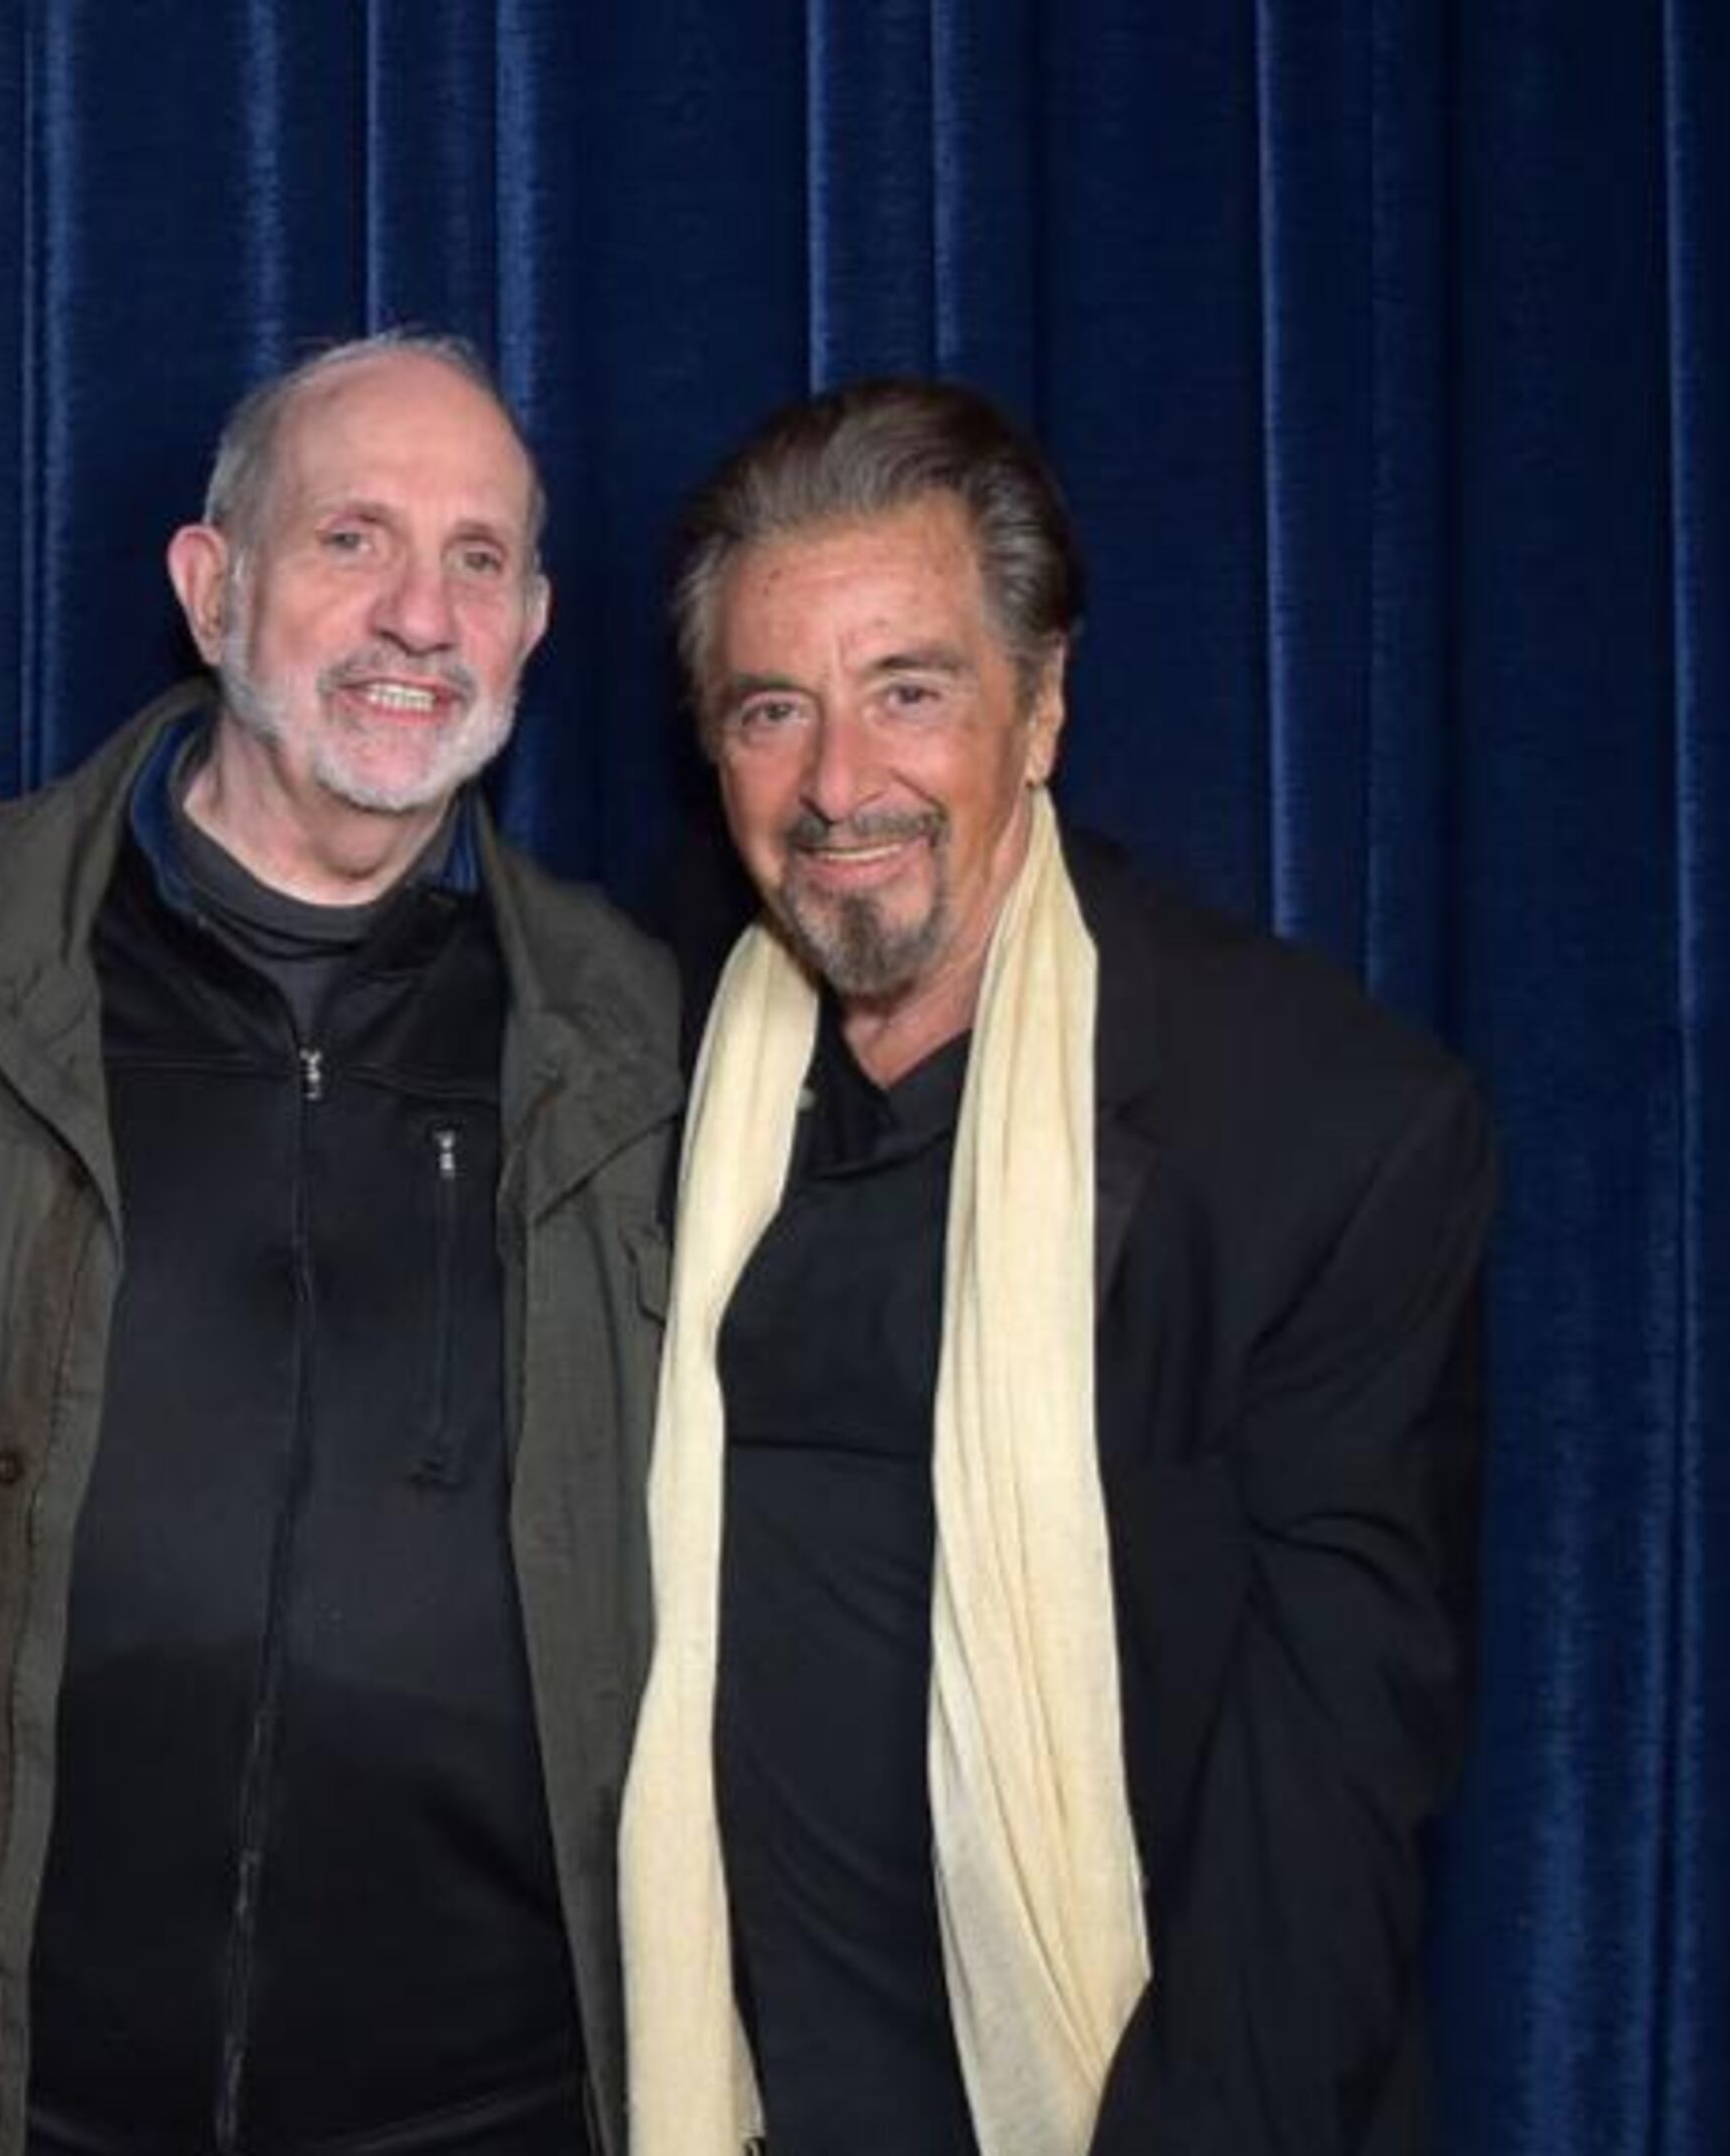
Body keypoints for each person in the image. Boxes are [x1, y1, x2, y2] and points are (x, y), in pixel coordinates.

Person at [0, 332, 682, 2155]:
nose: (420, 615)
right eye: (353, 538)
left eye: (479, 559)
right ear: (212, 589)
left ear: (532, 627)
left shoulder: (649, 1039)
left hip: (492, 2106)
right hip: (11, 2097)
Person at [616, 377, 1494, 2156]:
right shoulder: (643, 1050)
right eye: (774, 709)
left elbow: (1316, 1852)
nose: (840, 784)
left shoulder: (1322, 1132)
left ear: (1043, 708)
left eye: (910, 691)